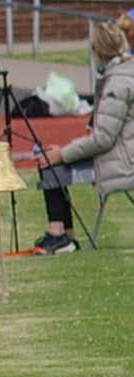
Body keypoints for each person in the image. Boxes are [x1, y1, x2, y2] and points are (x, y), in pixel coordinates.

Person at [33, 19, 134, 254]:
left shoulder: (117, 84)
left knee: (50, 163)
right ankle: (64, 237)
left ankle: (59, 234)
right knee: (54, 157)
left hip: (124, 163)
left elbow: (103, 140)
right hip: (123, 153)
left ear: (98, 52)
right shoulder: (124, 74)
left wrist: (63, 153)